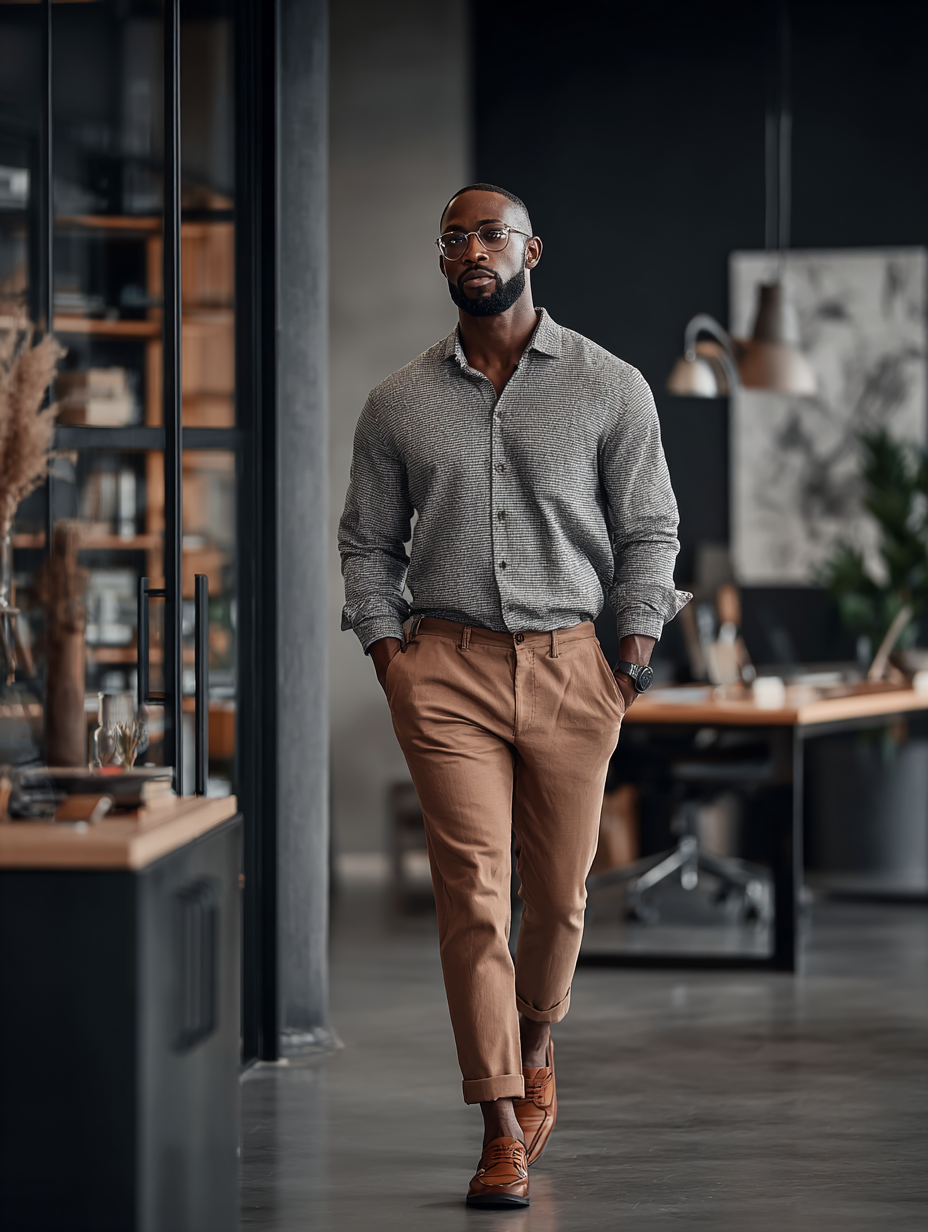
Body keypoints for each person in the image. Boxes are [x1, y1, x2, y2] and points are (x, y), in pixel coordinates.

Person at [339, 183, 689, 1208]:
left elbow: (649, 529)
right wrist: (387, 650)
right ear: (441, 262)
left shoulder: (609, 384)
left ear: (530, 246)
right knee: (474, 898)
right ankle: (498, 1120)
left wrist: (627, 652)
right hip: (443, 670)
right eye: (454, 238)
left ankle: (537, 1043)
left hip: (573, 664)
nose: (471, 249)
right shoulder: (396, 402)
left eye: (489, 232)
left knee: (563, 892)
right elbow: (367, 541)